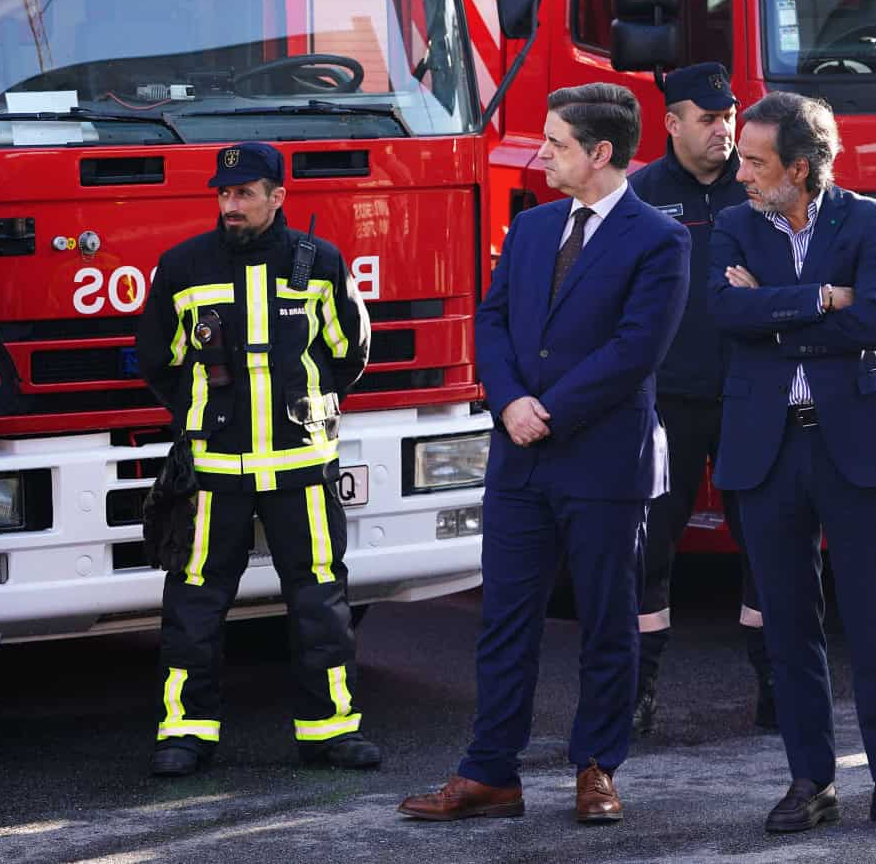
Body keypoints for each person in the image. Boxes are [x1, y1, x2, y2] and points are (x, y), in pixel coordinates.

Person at [398, 83, 689, 824]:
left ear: (600, 151)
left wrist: (547, 411)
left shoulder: (660, 238)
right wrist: (508, 402)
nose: (543, 156)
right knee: (504, 621)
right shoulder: (532, 228)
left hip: (603, 460)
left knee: (607, 622)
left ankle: (597, 769)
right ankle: (490, 774)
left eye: (557, 143)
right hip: (519, 458)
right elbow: (492, 319)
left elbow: (636, 350)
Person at [708, 91, 876, 834]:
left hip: (857, 444)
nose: (740, 173)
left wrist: (776, 308)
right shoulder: (734, 224)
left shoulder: (870, 219)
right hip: (767, 447)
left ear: (800, 168)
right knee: (788, 627)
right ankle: (810, 781)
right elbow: (724, 314)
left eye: (755, 162)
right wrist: (821, 298)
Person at [135, 141, 377, 776]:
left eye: (244, 193)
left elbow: (350, 352)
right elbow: (157, 359)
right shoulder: (183, 266)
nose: (231, 205)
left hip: (301, 467)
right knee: (194, 602)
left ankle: (331, 731)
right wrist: (201, 414)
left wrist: (303, 409)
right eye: (224, 193)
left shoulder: (320, 263)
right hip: (213, 473)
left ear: (277, 197)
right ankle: (184, 734)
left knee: (320, 599)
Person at [626, 62, 774, 736]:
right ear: (672, 123)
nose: (723, 130)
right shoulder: (638, 197)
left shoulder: (762, 187)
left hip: (751, 394)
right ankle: (637, 691)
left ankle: (777, 684)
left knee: (769, 540)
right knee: (649, 549)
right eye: (708, 119)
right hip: (668, 402)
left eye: (729, 117)